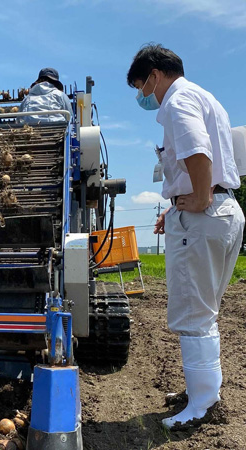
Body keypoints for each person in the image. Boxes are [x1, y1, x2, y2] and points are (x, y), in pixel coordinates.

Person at [127, 44, 244, 429]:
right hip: (224, 213)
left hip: (205, 215)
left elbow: (196, 150)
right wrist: (177, 204)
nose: (144, 96)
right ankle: (204, 392)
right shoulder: (206, 98)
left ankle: (201, 407)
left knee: (193, 315)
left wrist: (196, 197)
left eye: (141, 86)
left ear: (156, 75)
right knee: (204, 312)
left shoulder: (177, 101)